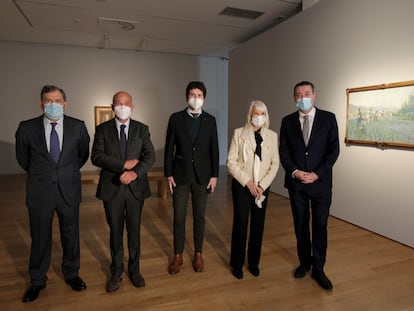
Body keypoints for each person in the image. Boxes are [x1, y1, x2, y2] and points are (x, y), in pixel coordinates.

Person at [15, 85, 90, 303]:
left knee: (71, 235)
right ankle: (37, 280)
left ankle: (72, 273)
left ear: (65, 104)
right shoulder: (27, 128)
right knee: (39, 238)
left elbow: (82, 155)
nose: (53, 104)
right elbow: (23, 159)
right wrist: (44, 173)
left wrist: (64, 172)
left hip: (69, 189)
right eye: (48, 100)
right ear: (41, 104)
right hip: (40, 191)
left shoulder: (78, 127)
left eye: (57, 100)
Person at [91, 91, 155, 292]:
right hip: (113, 188)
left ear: (132, 107)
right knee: (116, 231)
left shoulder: (142, 130)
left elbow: (149, 156)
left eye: (125, 103)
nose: (122, 105)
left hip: (135, 188)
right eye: (118, 103)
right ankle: (116, 271)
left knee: (134, 231)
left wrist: (135, 173)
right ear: (112, 106)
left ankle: (135, 270)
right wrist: (123, 165)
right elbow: (96, 157)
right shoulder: (102, 130)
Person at [279, 81, 339, 290]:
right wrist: (295, 172)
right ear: (294, 98)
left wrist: (317, 174)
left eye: (306, 93)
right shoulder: (287, 122)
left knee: (320, 225)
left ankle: (319, 267)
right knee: (300, 225)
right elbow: (283, 152)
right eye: (298, 94)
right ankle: (304, 262)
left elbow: (333, 151)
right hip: (297, 184)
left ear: (314, 95)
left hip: (320, 184)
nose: (302, 97)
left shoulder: (328, 119)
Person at [164, 81, 219, 274]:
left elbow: (214, 149)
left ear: (204, 98)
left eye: (199, 95)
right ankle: (178, 254)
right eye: (192, 94)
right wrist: (168, 173)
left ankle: (198, 253)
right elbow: (169, 147)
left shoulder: (210, 120)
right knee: (179, 217)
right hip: (180, 175)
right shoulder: (176, 118)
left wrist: (214, 175)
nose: (196, 98)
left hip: (203, 176)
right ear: (186, 96)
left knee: (199, 217)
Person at [227, 100, 279, 280]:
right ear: (250, 115)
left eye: (262, 114)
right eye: (255, 114)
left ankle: (254, 263)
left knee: (258, 225)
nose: (259, 117)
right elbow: (231, 162)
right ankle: (237, 263)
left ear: (266, 116)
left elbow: (275, 164)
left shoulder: (272, 136)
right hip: (242, 185)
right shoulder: (239, 133)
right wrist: (248, 182)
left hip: (261, 188)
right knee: (241, 224)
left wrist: (262, 186)